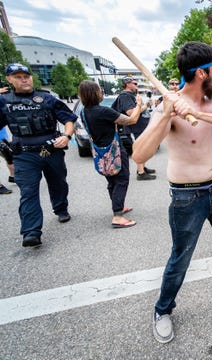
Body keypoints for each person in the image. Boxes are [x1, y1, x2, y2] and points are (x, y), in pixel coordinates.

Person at [131, 41, 212, 344]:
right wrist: (166, 116)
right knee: (181, 257)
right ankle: (162, 310)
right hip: (186, 197)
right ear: (202, 73)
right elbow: (139, 156)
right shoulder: (170, 105)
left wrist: (199, 114)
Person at [0, 63, 76, 247]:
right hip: (24, 154)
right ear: (9, 79)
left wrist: (66, 136)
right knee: (28, 191)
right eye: (18, 77)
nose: (24, 79)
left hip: (52, 150)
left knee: (58, 183)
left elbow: (68, 119)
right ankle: (31, 231)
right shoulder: (4, 101)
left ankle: (60, 208)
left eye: (26, 76)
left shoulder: (46, 98)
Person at [77, 80, 140, 228]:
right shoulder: (104, 111)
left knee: (112, 181)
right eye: (99, 90)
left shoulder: (84, 112)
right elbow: (132, 120)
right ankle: (118, 216)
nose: (102, 93)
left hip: (100, 152)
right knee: (122, 179)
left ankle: (118, 206)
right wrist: (138, 104)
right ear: (95, 93)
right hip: (114, 150)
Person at [112, 76, 156, 181]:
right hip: (133, 128)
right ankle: (141, 173)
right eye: (135, 83)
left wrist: (145, 105)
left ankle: (142, 168)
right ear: (127, 84)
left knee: (143, 148)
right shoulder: (125, 96)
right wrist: (144, 106)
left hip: (138, 128)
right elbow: (131, 113)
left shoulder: (131, 95)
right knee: (139, 149)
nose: (137, 85)